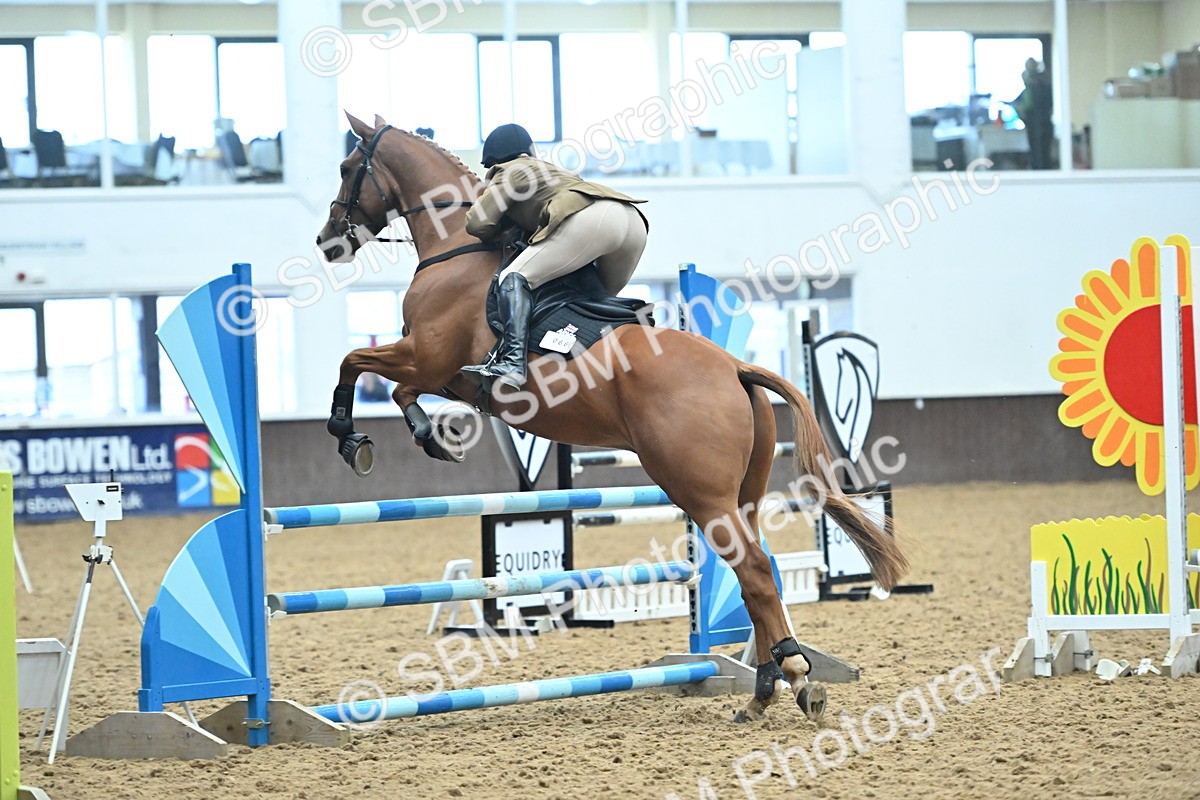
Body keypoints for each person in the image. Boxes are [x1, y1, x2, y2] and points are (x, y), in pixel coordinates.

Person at [462, 123, 649, 387]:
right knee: (593, 302)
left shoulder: (510, 170)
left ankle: (513, 362)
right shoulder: (552, 170)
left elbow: (478, 224)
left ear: (493, 160)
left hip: (593, 221)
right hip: (632, 222)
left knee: (513, 277)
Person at [1014, 58, 1053, 170]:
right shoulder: (1039, 85)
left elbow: (1028, 105)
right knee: (1040, 153)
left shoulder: (1037, 85)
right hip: (1038, 124)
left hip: (1038, 124)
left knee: (1040, 154)